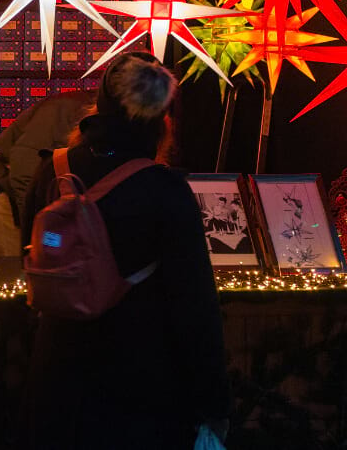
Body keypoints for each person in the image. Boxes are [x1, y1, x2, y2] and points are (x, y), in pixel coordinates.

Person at [22, 52, 231, 450]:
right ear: (160, 117)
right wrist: (214, 403)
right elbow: (195, 306)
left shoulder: (52, 171)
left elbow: (29, 259)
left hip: (56, 381)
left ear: (101, 101)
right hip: (142, 387)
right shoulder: (166, 190)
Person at [0, 90, 94, 255]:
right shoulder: (65, 108)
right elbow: (24, 171)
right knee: (24, 270)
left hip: (48, 202)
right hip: (10, 200)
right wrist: (32, 233)